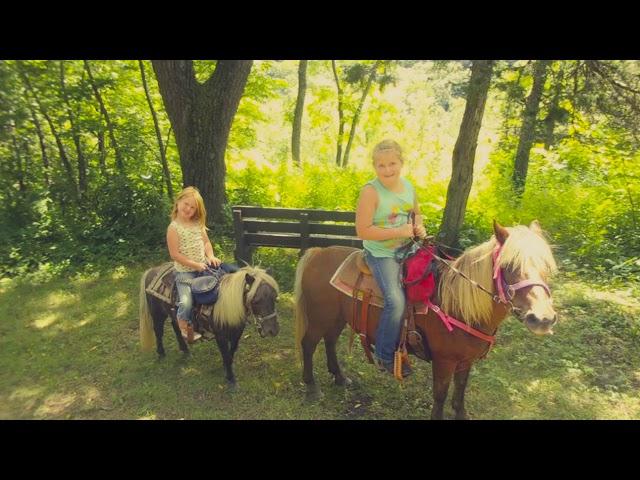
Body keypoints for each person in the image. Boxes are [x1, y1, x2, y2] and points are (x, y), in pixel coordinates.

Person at [355, 140, 426, 377]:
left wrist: (419, 227)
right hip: (381, 253)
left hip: (408, 247)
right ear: (374, 167)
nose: (387, 170)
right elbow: (363, 231)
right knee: (395, 301)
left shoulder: (408, 186)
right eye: (381, 165)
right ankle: (384, 355)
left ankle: (417, 338)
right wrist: (399, 232)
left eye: (392, 164)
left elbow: (416, 214)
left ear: (401, 163)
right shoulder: (370, 191)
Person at [166, 186, 227, 343]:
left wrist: (211, 256)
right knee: (186, 302)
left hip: (203, 267)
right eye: (186, 204)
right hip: (185, 272)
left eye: (193, 207)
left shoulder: (197, 224)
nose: (188, 209)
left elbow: (206, 242)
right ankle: (183, 326)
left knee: (224, 281)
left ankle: (218, 320)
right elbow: (175, 254)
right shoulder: (174, 228)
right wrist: (194, 265)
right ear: (178, 202)